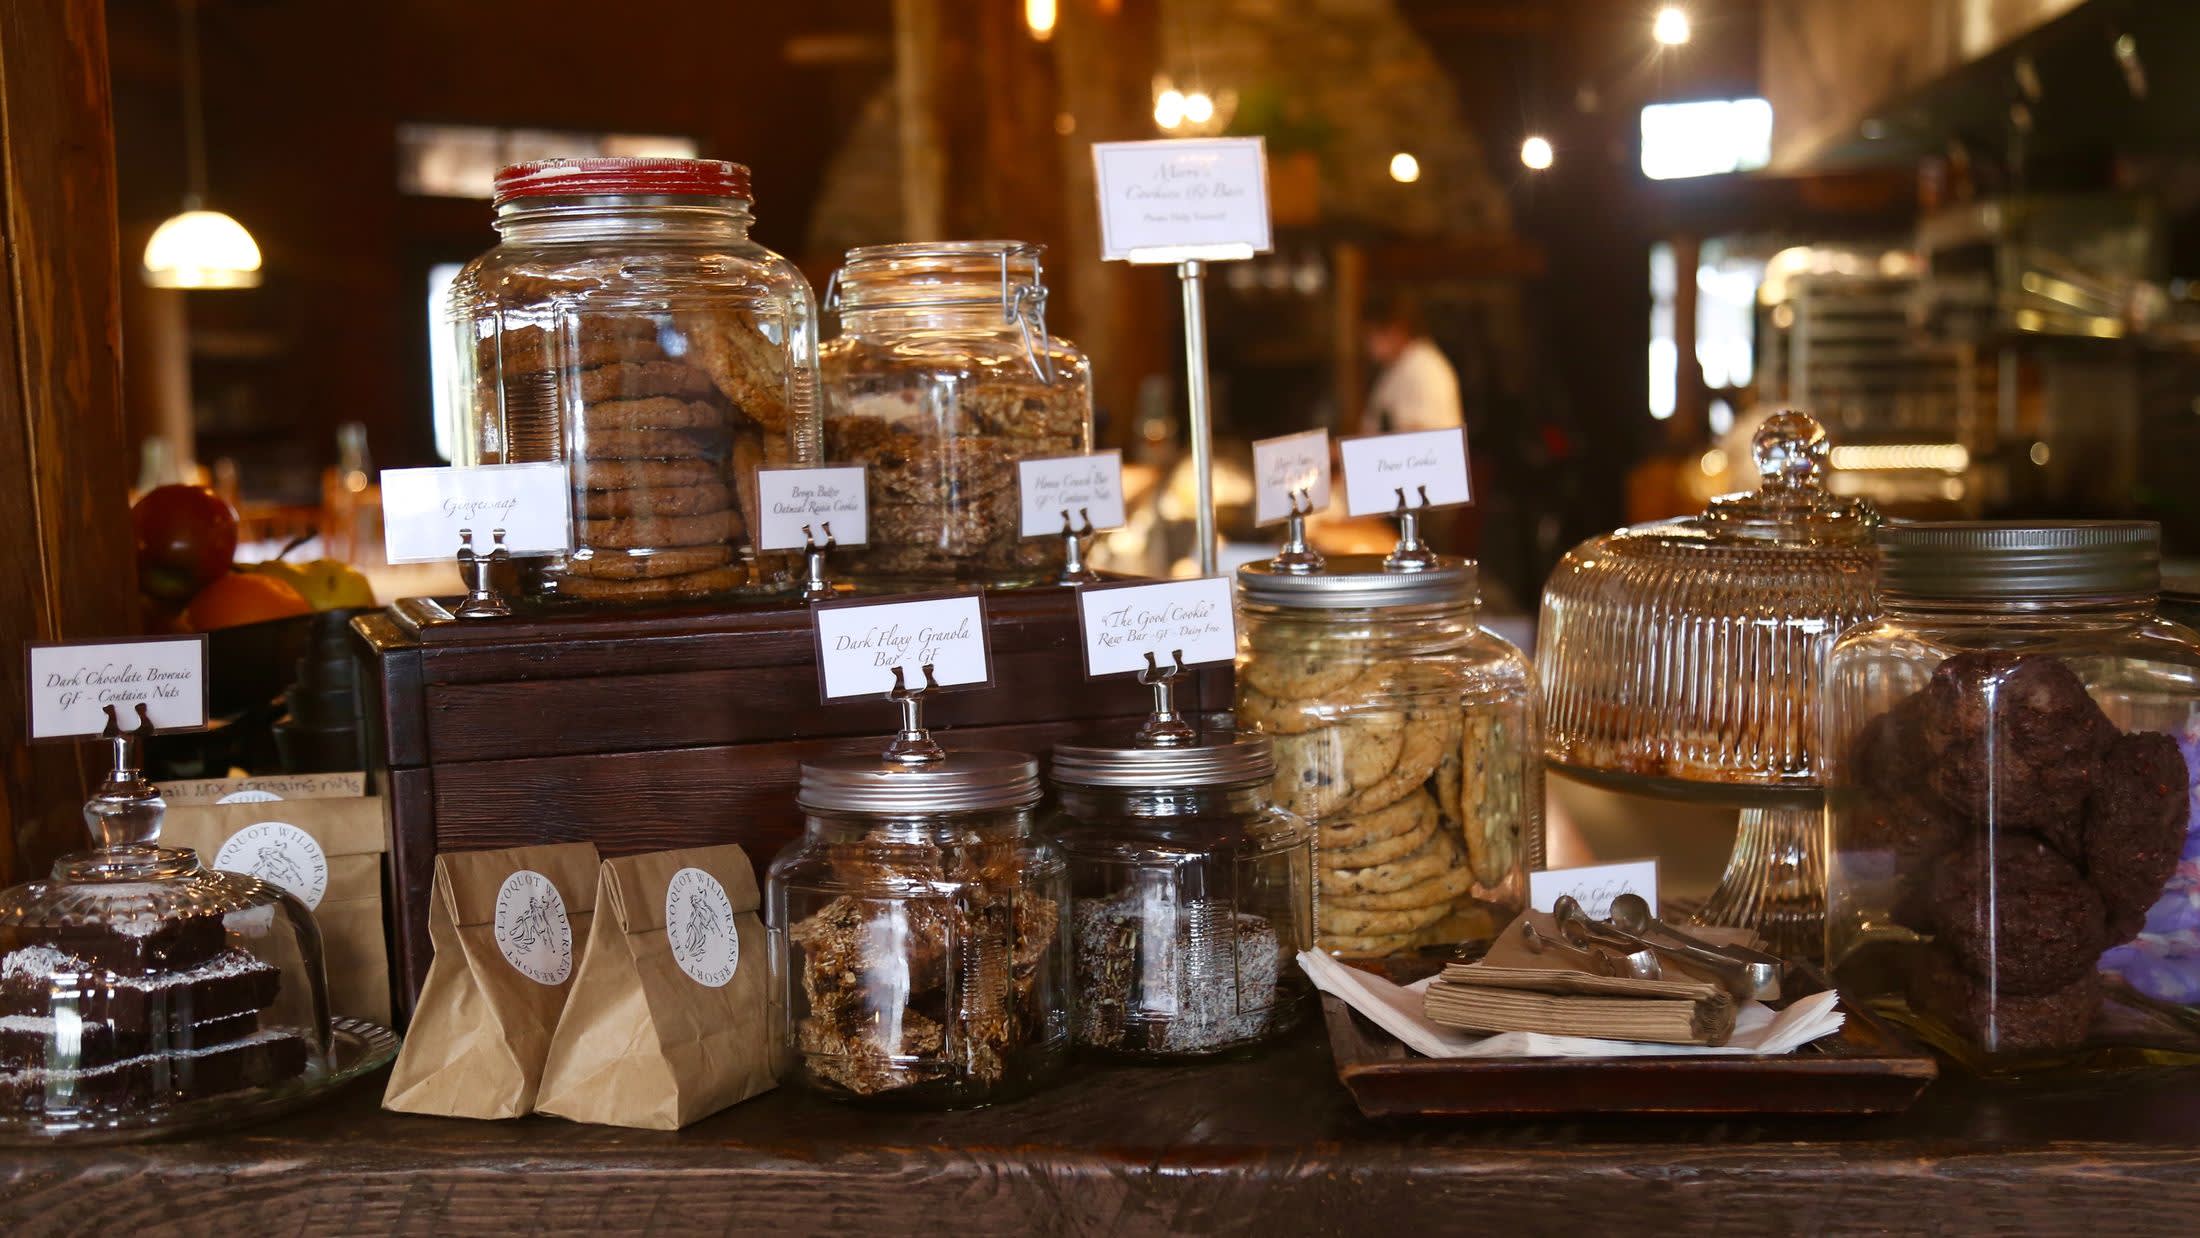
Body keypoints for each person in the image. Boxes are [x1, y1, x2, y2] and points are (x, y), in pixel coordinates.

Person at [1359, 290, 1463, 437]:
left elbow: (1419, 440)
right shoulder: (1396, 367)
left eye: (1370, 336)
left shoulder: (1424, 370)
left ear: (1394, 331)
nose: (1367, 345)